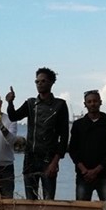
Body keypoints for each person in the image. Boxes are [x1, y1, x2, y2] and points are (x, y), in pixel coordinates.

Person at [6, 68, 69, 200]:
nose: (39, 84)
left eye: (43, 81)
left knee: (49, 200)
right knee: (30, 200)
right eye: (37, 81)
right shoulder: (31, 104)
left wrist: (55, 162)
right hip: (30, 158)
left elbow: (64, 137)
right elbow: (13, 116)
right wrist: (10, 102)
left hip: (49, 159)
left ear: (51, 82)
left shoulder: (60, 105)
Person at [68, 89, 106, 201]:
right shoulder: (78, 125)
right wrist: (84, 170)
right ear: (85, 104)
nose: (92, 104)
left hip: (104, 175)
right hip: (83, 176)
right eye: (89, 102)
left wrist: (97, 169)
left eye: (95, 101)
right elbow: (73, 150)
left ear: (100, 102)